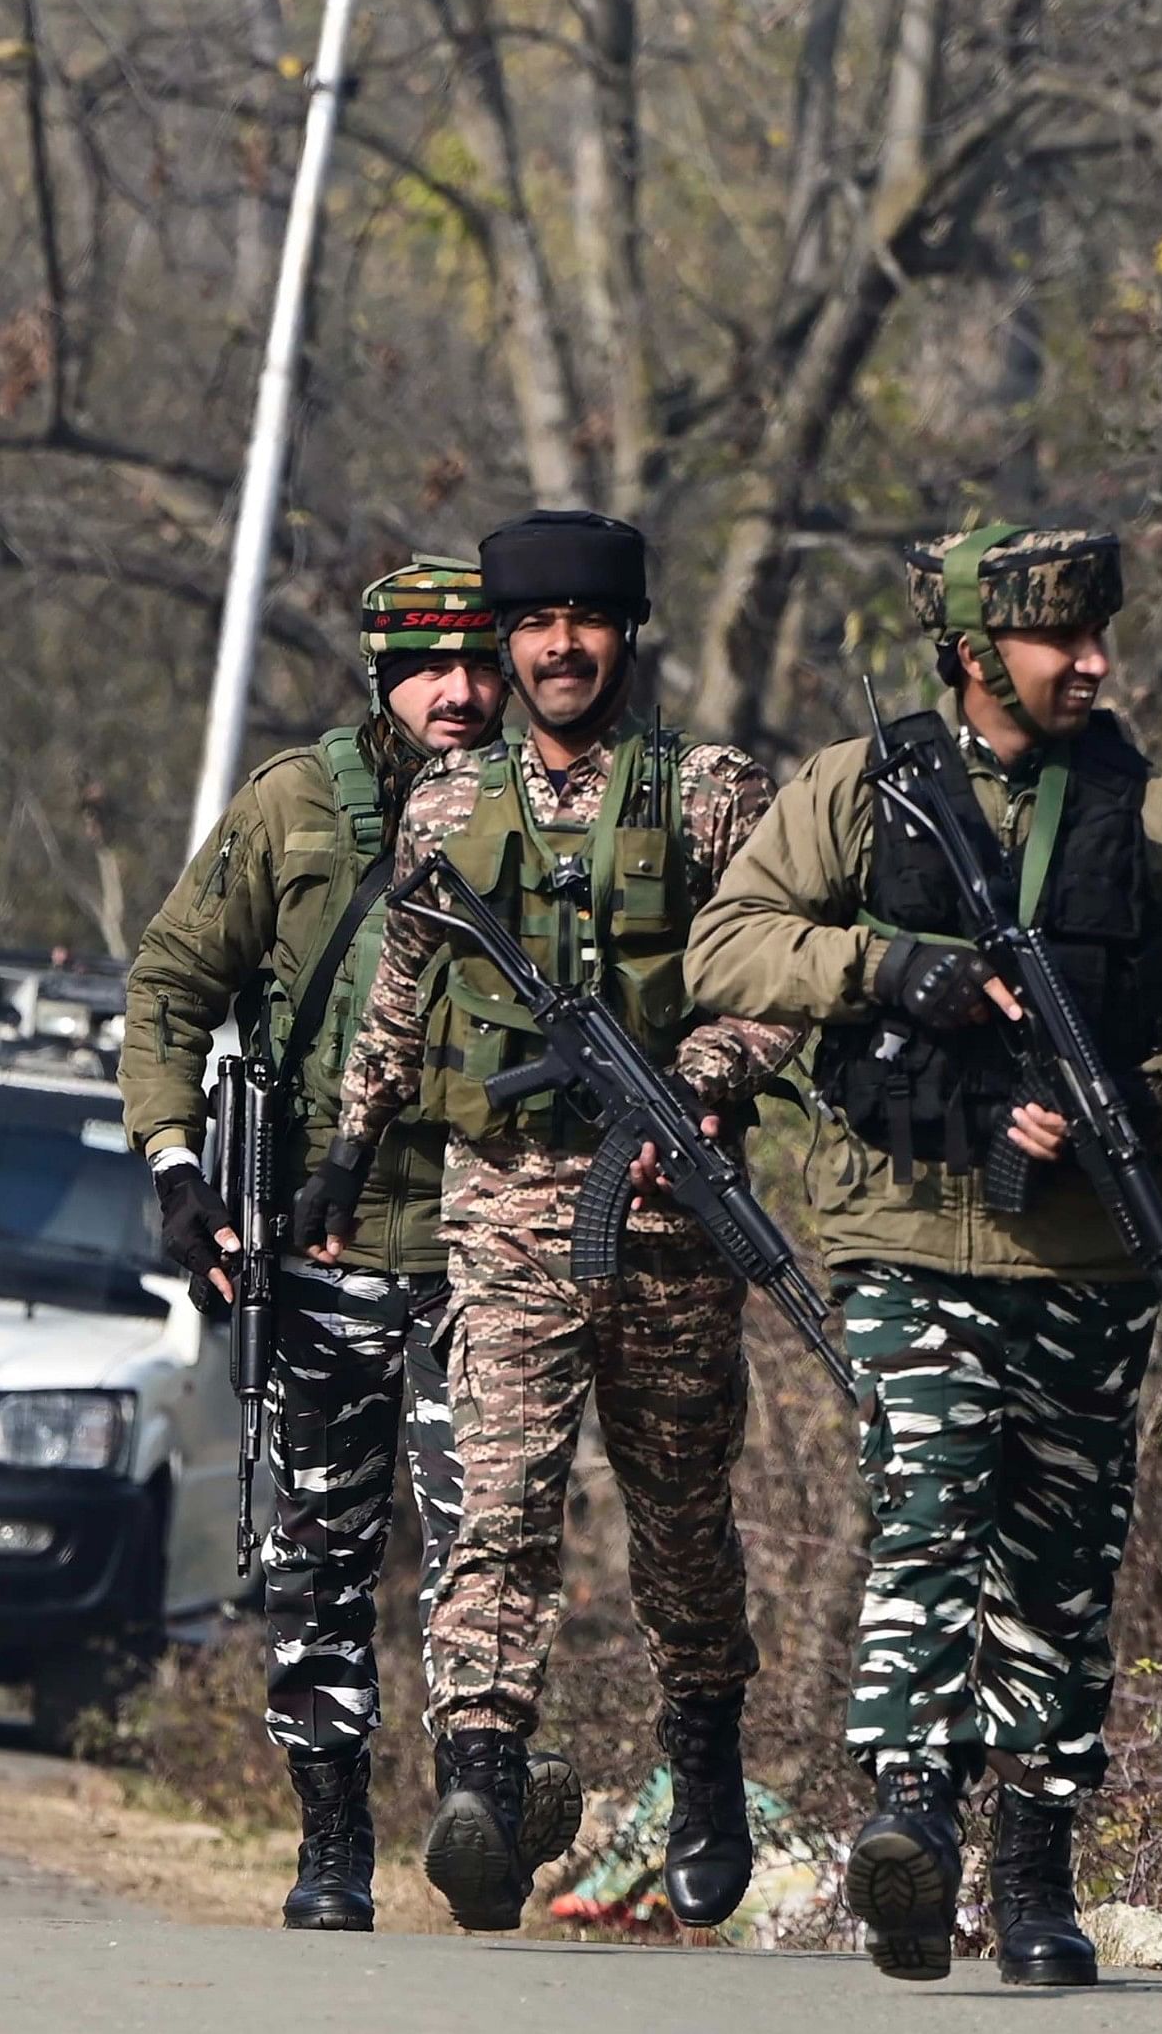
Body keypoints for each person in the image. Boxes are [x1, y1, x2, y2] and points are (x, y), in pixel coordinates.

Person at [682, 525, 1162, 1984]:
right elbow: (728, 945)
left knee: (1058, 1557)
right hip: (901, 1226)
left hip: (1084, 1250)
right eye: (1056, 640)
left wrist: (1140, 1104)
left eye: (1097, 639)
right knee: (929, 1495)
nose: (1089, 662)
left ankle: (1033, 1869)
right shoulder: (859, 788)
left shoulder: (1153, 816)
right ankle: (907, 1817)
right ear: (973, 655)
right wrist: (882, 968)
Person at [312, 510, 801, 1935]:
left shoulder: (710, 794)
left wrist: (695, 1088)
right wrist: (348, 1148)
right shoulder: (449, 808)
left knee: (678, 1519)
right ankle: (477, 1771)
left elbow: (771, 977)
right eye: (535, 627)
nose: (559, 647)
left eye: (584, 622)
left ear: (622, 633)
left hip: (666, 1218)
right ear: (507, 642)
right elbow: (400, 985)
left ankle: (699, 1751)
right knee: (501, 1495)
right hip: (502, 1197)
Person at [117, 556, 585, 1931]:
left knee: (484, 1543)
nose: (460, 691)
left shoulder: (544, 804)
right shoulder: (290, 806)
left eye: (479, 665)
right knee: (316, 1556)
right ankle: (329, 1837)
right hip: (317, 1252)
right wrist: (172, 1170)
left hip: (487, 1244)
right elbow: (166, 988)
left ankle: (473, 1813)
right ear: (378, 673)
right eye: (429, 667)